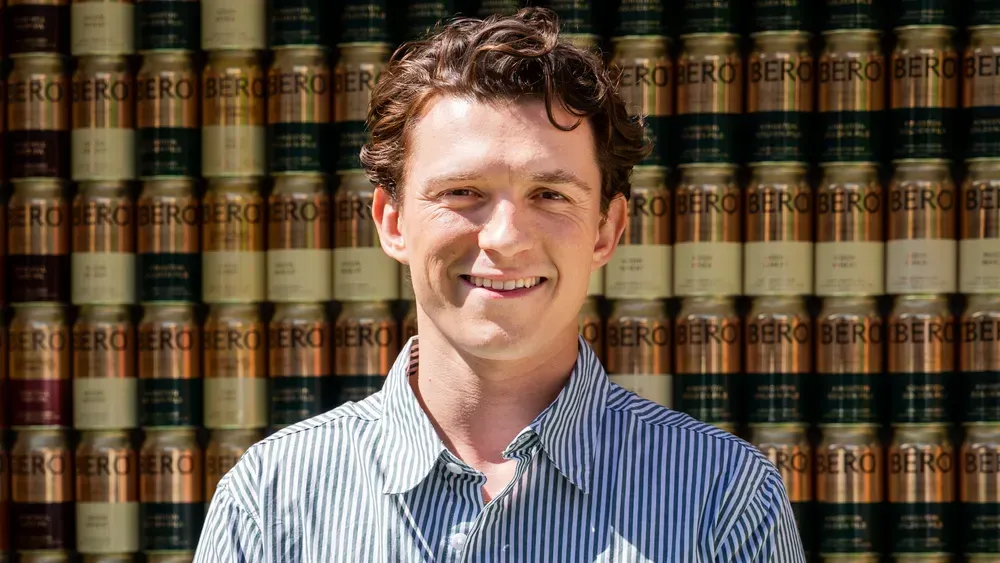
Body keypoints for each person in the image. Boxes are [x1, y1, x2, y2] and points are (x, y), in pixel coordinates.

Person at [194, 8, 806, 562]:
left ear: (606, 230)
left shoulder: (723, 499)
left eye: (550, 195)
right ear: (392, 221)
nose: (506, 238)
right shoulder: (270, 502)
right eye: (462, 192)